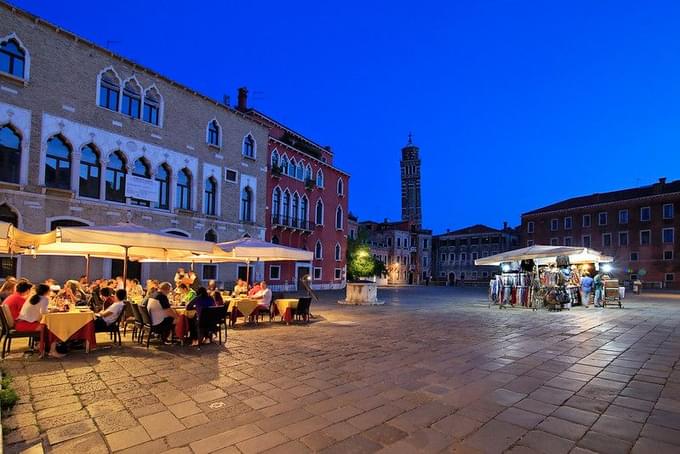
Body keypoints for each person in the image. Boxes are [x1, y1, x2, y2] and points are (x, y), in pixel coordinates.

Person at [17, 284, 64, 357]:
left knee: (49, 326)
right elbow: (43, 312)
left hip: (21, 323)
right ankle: (52, 351)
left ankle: (42, 346)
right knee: (53, 328)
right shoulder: (44, 299)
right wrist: (53, 310)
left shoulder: (32, 297)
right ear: (46, 291)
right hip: (27, 324)